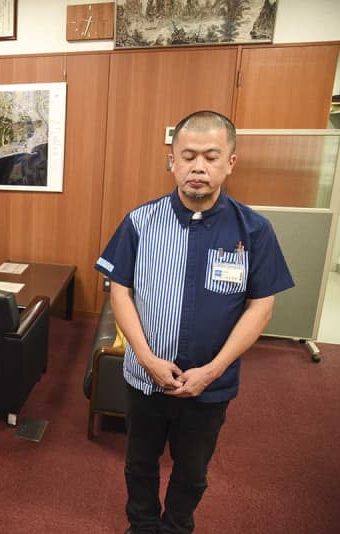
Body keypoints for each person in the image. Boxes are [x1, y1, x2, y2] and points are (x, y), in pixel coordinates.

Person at [94, 110, 294, 534]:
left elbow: (261, 306)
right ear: (172, 160)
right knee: (140, 462)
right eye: (187, 156)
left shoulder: (254, 230)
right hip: (146, 376)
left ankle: (176, 526)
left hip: (210, 384)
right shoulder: (140, 222)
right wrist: (146, 357)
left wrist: (213, 370)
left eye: (211, 156)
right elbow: (120, 291)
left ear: (230, 163)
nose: (198, 167)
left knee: (193, 470)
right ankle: (143, 524)